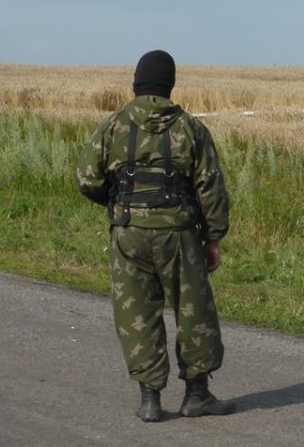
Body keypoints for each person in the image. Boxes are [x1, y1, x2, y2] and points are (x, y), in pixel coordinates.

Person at [76, 50, 234, 421]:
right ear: (169, 85)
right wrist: (213, 238)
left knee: (137, 313)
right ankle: (197, 395)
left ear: (137, 82)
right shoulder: (191, 129)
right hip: (179, 236)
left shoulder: (113, 126)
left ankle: (150, 399)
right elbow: (211, 188)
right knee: (194, 313)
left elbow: (86, 179)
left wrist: (120, 205)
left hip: (129, 234)